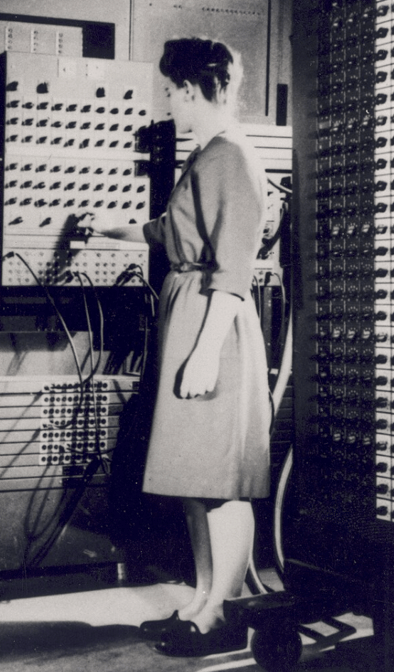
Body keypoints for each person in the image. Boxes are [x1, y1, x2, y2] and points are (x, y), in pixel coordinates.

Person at [94, 37, 270, 657]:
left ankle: (221, 613)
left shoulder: (231, 157)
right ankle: (203, 599)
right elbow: (169, 232)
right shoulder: (209, 156)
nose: (168, 102)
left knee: (220, 480)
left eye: (172, 91)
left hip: (212, 325)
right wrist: (106, 228)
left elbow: (235, 267)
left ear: (194, 91)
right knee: (195, 477)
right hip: (190, 314)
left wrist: (203, 350)